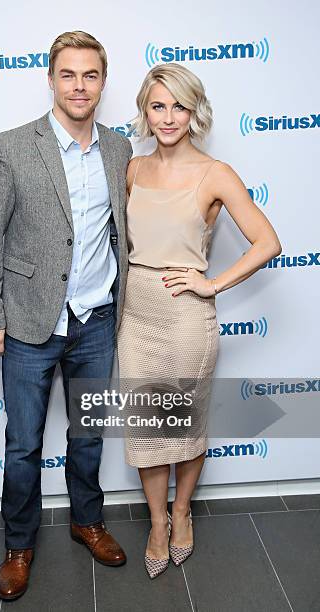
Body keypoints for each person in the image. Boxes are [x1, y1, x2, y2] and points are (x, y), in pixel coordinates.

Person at [0, 31, 132, 601]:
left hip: (97, 320)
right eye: (69, 74)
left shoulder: (118, 149)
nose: (79, 86)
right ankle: (18, 545)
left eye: (90, 75)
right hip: (30, 323)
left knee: (88, 436)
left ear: (103, 83)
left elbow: (121, 232)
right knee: (23, 444)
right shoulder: (12, 147)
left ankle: (87, 521)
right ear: (51, 78)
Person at [117, 63, 282, 579]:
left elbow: (268, 242)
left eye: (179, 107)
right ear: (145, 110)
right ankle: (157, 522)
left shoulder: (216, 173)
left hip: (187, 316)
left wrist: (210, 283)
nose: (169, 117)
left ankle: (182, 511)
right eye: (158, 105)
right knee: (147, 426)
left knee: (185, 425)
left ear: (194, 112)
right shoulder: (133, 168)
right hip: (137, 312)